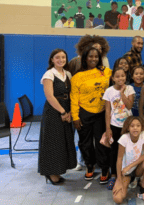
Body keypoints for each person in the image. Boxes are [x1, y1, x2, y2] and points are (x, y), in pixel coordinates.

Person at [70, 46, 112, 184]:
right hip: (84, 113)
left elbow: (119, 79)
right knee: (85, 143)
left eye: (96, 56)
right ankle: (90, 165)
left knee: (102, 142)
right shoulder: (77, 77)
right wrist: (75, 117)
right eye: (90, 56)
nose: (93, 59)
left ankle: (105, 168)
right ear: (85, 58)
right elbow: (74, 99)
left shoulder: (106, 72)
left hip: (101, 113)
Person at [38, 49, 77, 185]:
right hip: (54, 112)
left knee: (62, 142)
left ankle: (58, 170)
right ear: (52, 60)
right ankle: (50, 172)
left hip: (66, 110)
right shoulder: (49, 74)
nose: (61, 60)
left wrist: (71, 112)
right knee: (53, 142)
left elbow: (72, 94)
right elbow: (49, 96)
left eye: (63, 57)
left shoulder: (68, 74)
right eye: (57, 57)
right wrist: (62, 112)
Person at [103, 68, 135, 190]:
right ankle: (113, 175)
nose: (120, 78)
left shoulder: (129, 89)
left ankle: (127, 174)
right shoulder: (109, 91)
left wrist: (122, 93)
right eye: (117, 76)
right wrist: (107, 128)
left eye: (123, 76)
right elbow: (107, 110)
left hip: (127, 127)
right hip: (114, 126)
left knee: (128, 151)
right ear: (113, 78)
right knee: (114, 151)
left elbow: (130, 105)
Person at [112, 116, 144, 204]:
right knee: (118, 199)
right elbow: (119, 160)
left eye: (138, 125)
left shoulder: (143, 134)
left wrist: (130, 166)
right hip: (126, 172)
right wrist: (119, 180)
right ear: (128, 128)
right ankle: (132, 181)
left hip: (136, 169)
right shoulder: (124, 138)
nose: (135, 128)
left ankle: (143, 191)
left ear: (141, 127)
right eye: (132, 126)